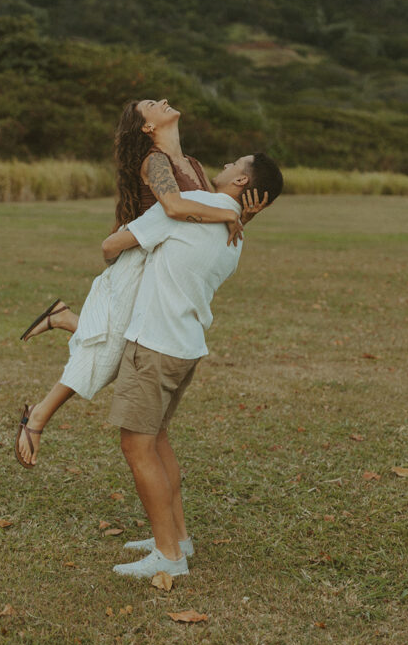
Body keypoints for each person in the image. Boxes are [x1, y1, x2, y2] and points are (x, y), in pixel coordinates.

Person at [14, 98, 267, 468]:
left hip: (161, 265)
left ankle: (65, 320)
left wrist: (240, 214)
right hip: (139, 259)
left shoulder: (194, 165)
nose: (163, 101)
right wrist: (232, 213)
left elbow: (207, 232)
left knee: (117, 349)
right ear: (147, 128)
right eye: (153, 104)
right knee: (111, 353)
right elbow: (176, 209)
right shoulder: (155, 161)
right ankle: (37, 417)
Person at [101, 152, 284, 579]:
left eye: (234, 162)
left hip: (155, 345)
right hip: (184, 347)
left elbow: (110, 248)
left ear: (241, 180)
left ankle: (169, 556)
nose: (223, 163)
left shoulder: (186, 211)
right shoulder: (234, 233)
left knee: (137, 446)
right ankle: (178, 536)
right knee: (158, 440)